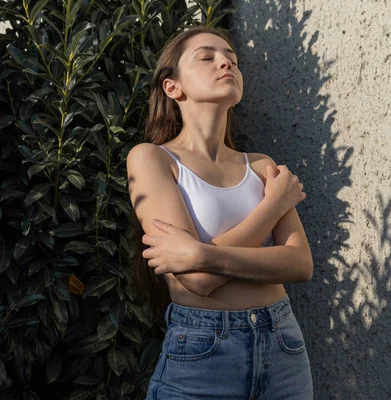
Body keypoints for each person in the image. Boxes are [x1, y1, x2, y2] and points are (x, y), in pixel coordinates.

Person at [126, 26, 314, 399]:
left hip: (283, 346)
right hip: (201, 352)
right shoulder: (150, 159)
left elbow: (300, 265)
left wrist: (202, 254)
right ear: (172, 87)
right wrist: (274, 205)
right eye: (207, 56)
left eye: (231, 58)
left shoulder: (261, 166)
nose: (226, 62)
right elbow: (195, 283)